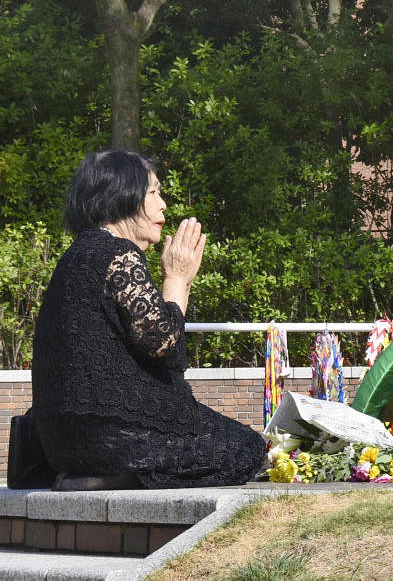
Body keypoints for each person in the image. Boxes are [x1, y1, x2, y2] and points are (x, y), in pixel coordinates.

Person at [31, 150, 267, 491]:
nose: (164, 205)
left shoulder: (74, 256)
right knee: (246, 448)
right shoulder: (118, 253)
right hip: (113, 437)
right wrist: (176, 277)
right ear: (122, 195)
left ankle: (111, 475)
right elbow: (165, 346)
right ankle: (124, 476)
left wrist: (179, 280)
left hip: (61, 443)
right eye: (154, 192)